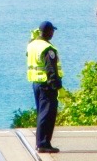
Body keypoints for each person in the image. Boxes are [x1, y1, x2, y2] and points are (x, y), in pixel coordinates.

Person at [26, 21, 63, 154]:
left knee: (41, 113)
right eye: (52, 31)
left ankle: (41, 142)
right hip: (47, 85)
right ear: (48, 32)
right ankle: (43, 143)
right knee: (47, 114)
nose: (53, 33)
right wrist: (56, 85)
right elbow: (50, 68)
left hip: (36, 83)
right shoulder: (47, 48)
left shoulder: (32, 45)